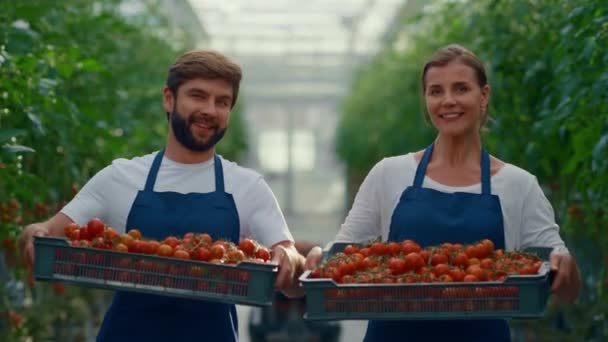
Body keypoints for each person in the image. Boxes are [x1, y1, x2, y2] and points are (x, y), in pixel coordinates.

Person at [19, 50, 306, 341]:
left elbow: (292, 277)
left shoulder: (248, 186)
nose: (210, 109)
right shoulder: (120, 177)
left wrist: (290, 258)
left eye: (223, 102)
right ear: (169, 99)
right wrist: (33, 232)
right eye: (198, 95)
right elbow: (48, 233)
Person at [304, 44, 582, 341]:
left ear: (483, 95)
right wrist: (321, 256)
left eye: (461, 89)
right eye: (436, 91)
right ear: (426, 100)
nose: (448, 101)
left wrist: (566, 268)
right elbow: (346, 250)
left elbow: (566, 285)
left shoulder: (519, 185)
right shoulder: (389, 174)